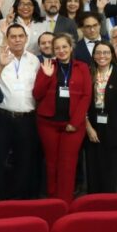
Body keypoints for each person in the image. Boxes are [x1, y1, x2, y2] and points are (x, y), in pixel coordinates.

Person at [33, 33, 90, 203]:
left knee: (68, 164)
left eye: (64, 46)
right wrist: (46, 76)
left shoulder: (82, 67)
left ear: (71, 48)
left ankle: (65, 201)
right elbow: (37, 94)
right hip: (48, 123)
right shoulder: (47, 65)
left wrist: (75, 122)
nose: (61, 50)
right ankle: (53, 201)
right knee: (51, 163)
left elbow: (86, 96)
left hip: (73, 124)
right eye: (57, 48)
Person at [0, 24, 41, 200]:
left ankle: (21, 200)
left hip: (27, 118)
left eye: (21, 36)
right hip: (2, 116)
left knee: (25, 159)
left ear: (26, 38)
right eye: (13, 36)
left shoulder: (34, 60)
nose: (17, 40)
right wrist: (1, 66)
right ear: (7, 38)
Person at [84, 42, 117, 193]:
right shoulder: (88, 72)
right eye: (98, 52)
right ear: (93, 55)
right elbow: (81, 102)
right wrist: (88, 127)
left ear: (112, 55)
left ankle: (110, 201)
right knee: (93, 168)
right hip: (92, 125)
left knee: (111, 169)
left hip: (114, 127)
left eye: (106, 52)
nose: (102, 56)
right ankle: (93, 201)